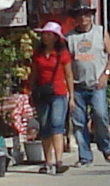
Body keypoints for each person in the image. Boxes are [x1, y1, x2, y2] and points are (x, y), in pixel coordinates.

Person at [68, 10, 110, 166]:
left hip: (97, 84)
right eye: (80, 15)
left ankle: (105, 146)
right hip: (78, 85)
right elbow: (67, 63)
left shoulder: (100, 32)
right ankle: (85, 156)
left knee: (100, 115)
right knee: (79, 122)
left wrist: (106, 74)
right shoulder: (69, 38)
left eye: (86, 15)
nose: (83, 18)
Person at [27, 22, 76, 174]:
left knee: (57, 124)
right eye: (44, 34)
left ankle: (59, 160)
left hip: (58, 92)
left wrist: (71, 96)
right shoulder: (38, 53)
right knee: (44, 126)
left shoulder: (62, 54)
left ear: (55, 37)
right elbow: (34, 73)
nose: (45, 37)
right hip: (42, 92)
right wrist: (29, 91)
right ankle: (48, 161)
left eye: (48, 34)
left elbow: (68, 75)